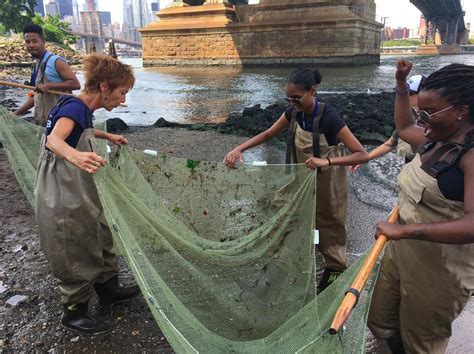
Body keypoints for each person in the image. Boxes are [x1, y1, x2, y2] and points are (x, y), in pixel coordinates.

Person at [223, 68, 369, 292]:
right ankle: (266, 287)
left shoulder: (329, 118)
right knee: (286, 229)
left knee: (330, 241)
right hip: (299, 183)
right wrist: (239, 148)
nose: (292, 103)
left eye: (297, 98)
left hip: (326, 189)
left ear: (313, 91)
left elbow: (361, 154)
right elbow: (268, 134)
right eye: (288, 99)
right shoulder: (293, 112)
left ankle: (328, 292)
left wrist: (326, 162)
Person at [368, 59, 474, 353]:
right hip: (401, 254)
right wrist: (401, 84)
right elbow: (403, 127)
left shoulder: (468, 156)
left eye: (428, 113)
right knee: (380, 320)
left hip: (440, 271)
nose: (422, 120)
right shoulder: (432, 140)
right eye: (420, 112)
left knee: (422, 342)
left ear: (461, 112)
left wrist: (404, 231)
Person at [34, 54, 139, 335]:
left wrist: (109, 137)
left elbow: (82, 130)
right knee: (73, 240)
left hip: (77, 182)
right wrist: (75, 157)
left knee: (98, 230)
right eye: (122, 93)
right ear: (104, 86)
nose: (123, 101)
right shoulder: (73, 108)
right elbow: (55, 140)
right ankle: (74, 311)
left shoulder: (82, 108)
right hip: (62, 186)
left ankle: (108, 288)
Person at [349, 75, 426, 172]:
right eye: (404, 93)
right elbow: (390, 144)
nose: (405, 97)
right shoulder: (410, 116)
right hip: (411, 173)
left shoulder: (434, 120)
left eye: (410, 94)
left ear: (424, 94)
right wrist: (365, 158)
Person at [14, 24, 80, 126]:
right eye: (27, 42)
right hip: (45, 123)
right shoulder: (37, 64)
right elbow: (35, 96)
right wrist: (15, 114)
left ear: (43, 41)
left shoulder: (56, 61)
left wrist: (49, 85)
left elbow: (76, 84)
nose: (31, 45)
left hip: (61, 122)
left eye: (34, 41)